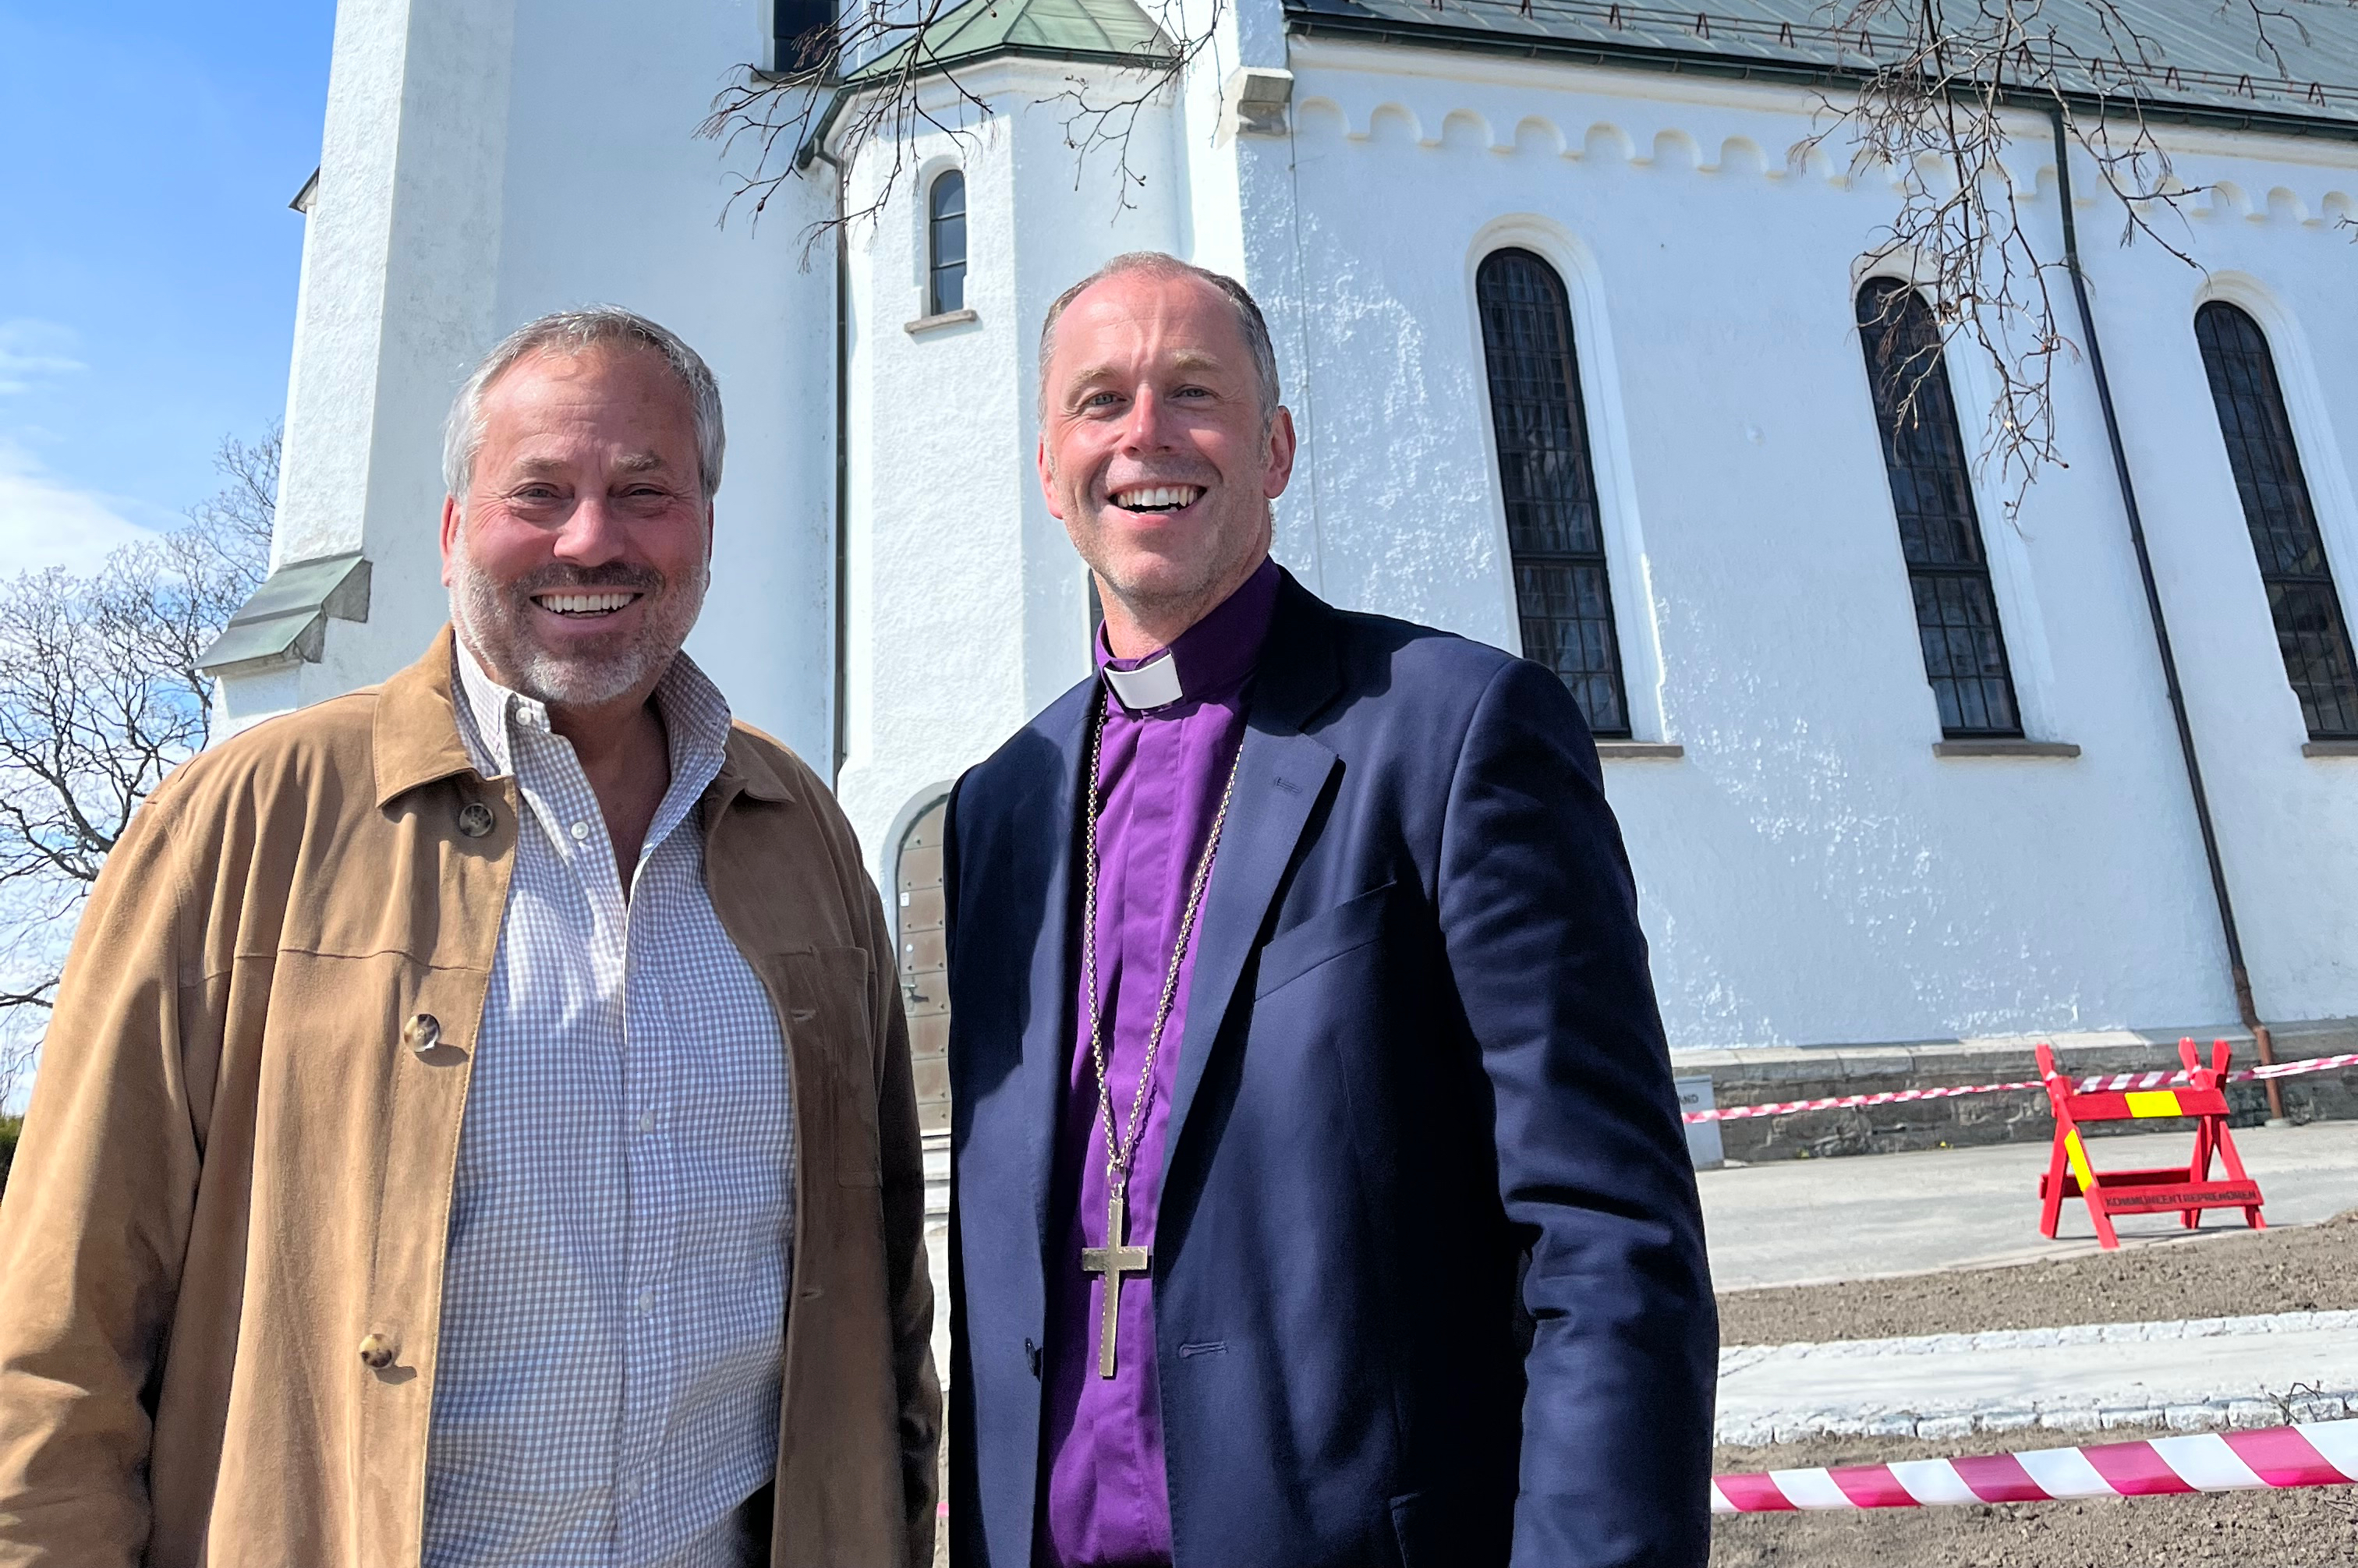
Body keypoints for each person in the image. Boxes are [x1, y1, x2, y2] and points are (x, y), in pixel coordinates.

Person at [0, 308, 938, 1567]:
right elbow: (60, 1324)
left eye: (646, 492)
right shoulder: (246, 822)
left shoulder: (801, 837)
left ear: (706, 533)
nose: (591, 537)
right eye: (537, 491)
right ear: (453, 535)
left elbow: (885, 1298)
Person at [944, 253, 1715, 1567]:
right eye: (1099, 402)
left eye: (1195, 392)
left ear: (1276, 447)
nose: (1145, 435)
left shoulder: (1453, 731)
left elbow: (1607, 1240)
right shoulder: (999, 808)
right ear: (1049, 469)